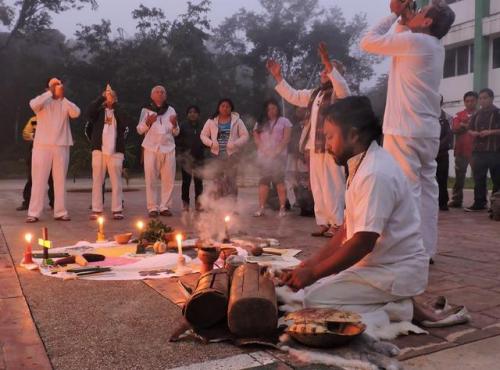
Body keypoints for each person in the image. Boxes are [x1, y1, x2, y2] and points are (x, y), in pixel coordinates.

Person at [281, 96, 429, 321]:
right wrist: (311, 264)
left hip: (394, 270)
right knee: (312, 288)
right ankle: (389, 302)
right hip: (378, 266)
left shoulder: (375, 172)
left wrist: (313, 273)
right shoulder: (362, 163)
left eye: (330, 136)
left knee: (313, 300)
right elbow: (347, 229)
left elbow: (362, 243)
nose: (327, 145)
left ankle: (401, 309)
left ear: (353, 134)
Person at [360, 0, 455, 258]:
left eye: (421, 12)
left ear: (427, 22)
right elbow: (403, 37)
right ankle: (425, 250)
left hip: (405, 130)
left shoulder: (418, 43)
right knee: (426, 192)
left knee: (408, 191)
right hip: (425, 131)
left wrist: (392, 15)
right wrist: (403, 19)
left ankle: (409, 251)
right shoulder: (432, 46)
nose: (416, 11)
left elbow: (368, 41)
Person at [267, 42, 350, 237]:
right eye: (323, 70)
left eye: (327, 70)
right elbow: (294, 96)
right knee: (318, 186)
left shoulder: (340, 93)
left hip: (333, 147)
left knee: (333, 185)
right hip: (315, 147)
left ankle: (337, 223)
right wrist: (278, 76)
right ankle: (323, 222)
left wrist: (329, 64)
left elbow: (341, 86)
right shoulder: (315, 94)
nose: (323, 73)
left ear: (335, 75)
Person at [26, 78, 81, 223]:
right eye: (54, 85)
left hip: (61, 145)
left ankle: (60, 212)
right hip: (42, 145)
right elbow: (33, 104)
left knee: (60, 180)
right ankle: (34, 213)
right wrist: (50, 92)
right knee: (38, 180)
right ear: (48, 88)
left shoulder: (64, 102)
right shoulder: (42, 101)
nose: (57, 87)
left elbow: (76, 113)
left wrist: (62, 97)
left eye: (59, 85)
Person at [85, 85, 128, 220]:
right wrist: (101, 98)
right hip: (99, 150)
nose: (109, 98)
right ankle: (97, 209)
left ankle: (117, 209)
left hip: (116, 151)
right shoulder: (98, 112)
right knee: (97, 180)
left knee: (116, 181)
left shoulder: (119, 111)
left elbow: (126, 121)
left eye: (112, 96)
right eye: (107, 96)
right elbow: (88, 113)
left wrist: (114, 104)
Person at [137, 85, 179, 218]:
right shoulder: (146, 110)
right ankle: (152, 208)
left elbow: (176, 132)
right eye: (157, 92)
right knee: (150, 180)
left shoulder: (171, 109)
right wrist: (148, 122)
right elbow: (139, 129)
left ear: (165, 96)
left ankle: (165, 206)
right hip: (151, 148)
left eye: (162, 92)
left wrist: (175, 125)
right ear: (152, 96)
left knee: (168, 180)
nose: (160, 94)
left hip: (168, 148)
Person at [200, 98, 249, 203]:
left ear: (231, 108)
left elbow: (245, 136)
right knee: (217, 181)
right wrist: (211, 143)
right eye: (223, 106)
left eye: (227, 106)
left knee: (231, 181)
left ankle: (232, 205)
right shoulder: (211, 121)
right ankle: (217, 205)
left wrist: (235, 143)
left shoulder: (237, 121)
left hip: (232, 155)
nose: (225, 108)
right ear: (218, 107)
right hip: (216, 154)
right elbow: (203, 135)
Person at [253, 99, 292, 217]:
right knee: (264, 182)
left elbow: (286, 139)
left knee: (279, 182)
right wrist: (265, 151)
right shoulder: (260, 122)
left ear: (278, 109)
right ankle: (261, 208)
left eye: (274, 108)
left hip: (279, 156)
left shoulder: (285, 121)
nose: (271, 111)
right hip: (264, 157)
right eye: (269, 109)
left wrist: (276, 152)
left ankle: (282, 208)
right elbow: (256, 140)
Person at [465, 88, 500, 212]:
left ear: (491, 98)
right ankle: (479, 203)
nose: (482, 101)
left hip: (495, 151)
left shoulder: (497, 112)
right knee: (479, 179)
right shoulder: (476, 114)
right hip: (478, 152)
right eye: (480, 98)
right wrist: (473, 133)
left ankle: (495, 205)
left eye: (485, 98)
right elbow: (469, 129)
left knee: (497, 180)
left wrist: (490, 132)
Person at [16, 116, 54, 211]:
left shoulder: (55, 118)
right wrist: (35, 136)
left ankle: (55, 203)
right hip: (35, 150)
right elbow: (26, 133)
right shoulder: (35, 119)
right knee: (32, 178)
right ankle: (28, 202)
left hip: (52, 151)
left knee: (52, 179)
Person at [448, 91, 478, 208]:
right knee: (459, 177)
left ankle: (480, 201)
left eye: (472, 100)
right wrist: (468, 125)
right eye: (467, 101)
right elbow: (455, 128)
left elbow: (481, 128)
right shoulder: (458, 114)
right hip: (460, 151)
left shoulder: (480, 114)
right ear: (464, 102)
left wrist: (464, 125)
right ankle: (456, 200)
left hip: (476, 152)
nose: (470, 103)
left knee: (478, 177)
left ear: (476, 101)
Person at [176, 105, 205, 212]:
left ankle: (199, 203)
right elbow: (176, 140)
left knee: (199, 182)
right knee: (186, 182)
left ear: (198, 114)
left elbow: (207, 140)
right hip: (186, 158)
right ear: (187, 114)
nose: (192, 114)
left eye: (195, 112)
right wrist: (182, 152)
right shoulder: (182, 126)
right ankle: (185, 204)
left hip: (199, 158)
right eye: (190, 112)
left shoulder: (203, 126)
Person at [436, 97, 453, 211]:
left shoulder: (447, 117)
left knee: (442, 178)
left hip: (442, 153)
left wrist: (436, 147)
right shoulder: (424, 116)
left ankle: (443, 202)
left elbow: (448, 135)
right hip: (427, 153)